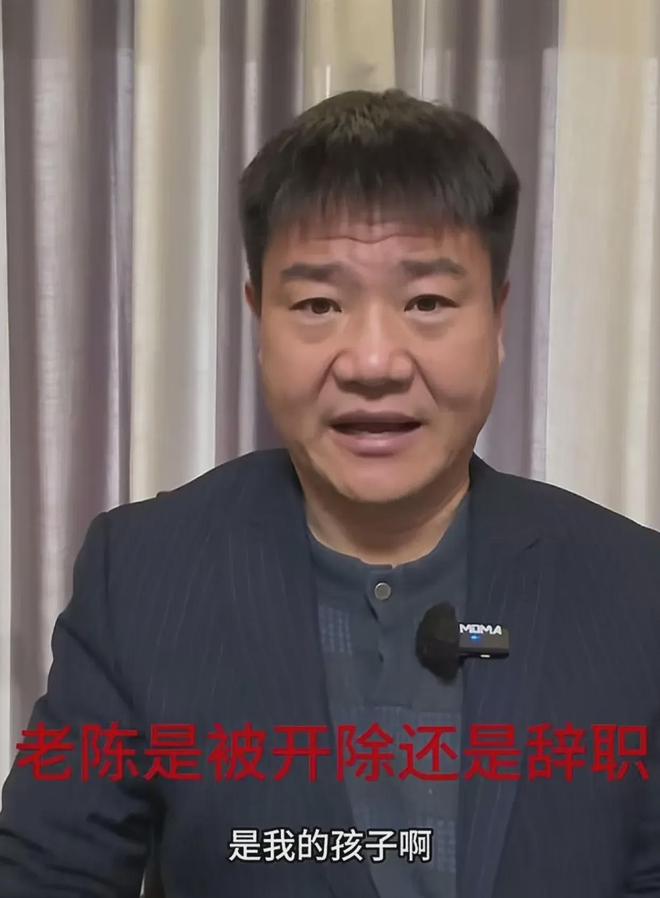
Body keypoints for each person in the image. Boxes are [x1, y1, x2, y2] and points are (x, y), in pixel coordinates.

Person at [1, 88, 659, 898]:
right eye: (318, 304)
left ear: (497, 317)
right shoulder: (141, 575)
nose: (372, 362)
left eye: (427, 302)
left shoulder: (635, 590)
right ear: (259, 319)